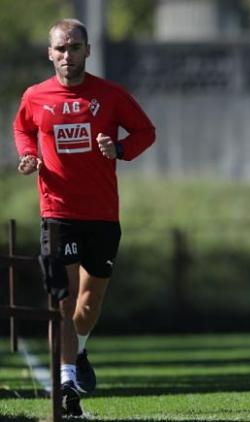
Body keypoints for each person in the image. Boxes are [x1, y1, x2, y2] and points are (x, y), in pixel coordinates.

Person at [13, 18, 155, 416]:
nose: (67, 55)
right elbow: (22, 127)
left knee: (89, 306)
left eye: (75, 47)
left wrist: (119, 149)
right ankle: (66, 383)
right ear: (50, 53)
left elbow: (145, 131)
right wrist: (28, 155)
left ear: (87, 51)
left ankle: (80, 349)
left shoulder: (110, 95)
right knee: (62, 299)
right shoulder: (36, 96)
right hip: (56, 212)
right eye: (60, 48)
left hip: (102, 215)